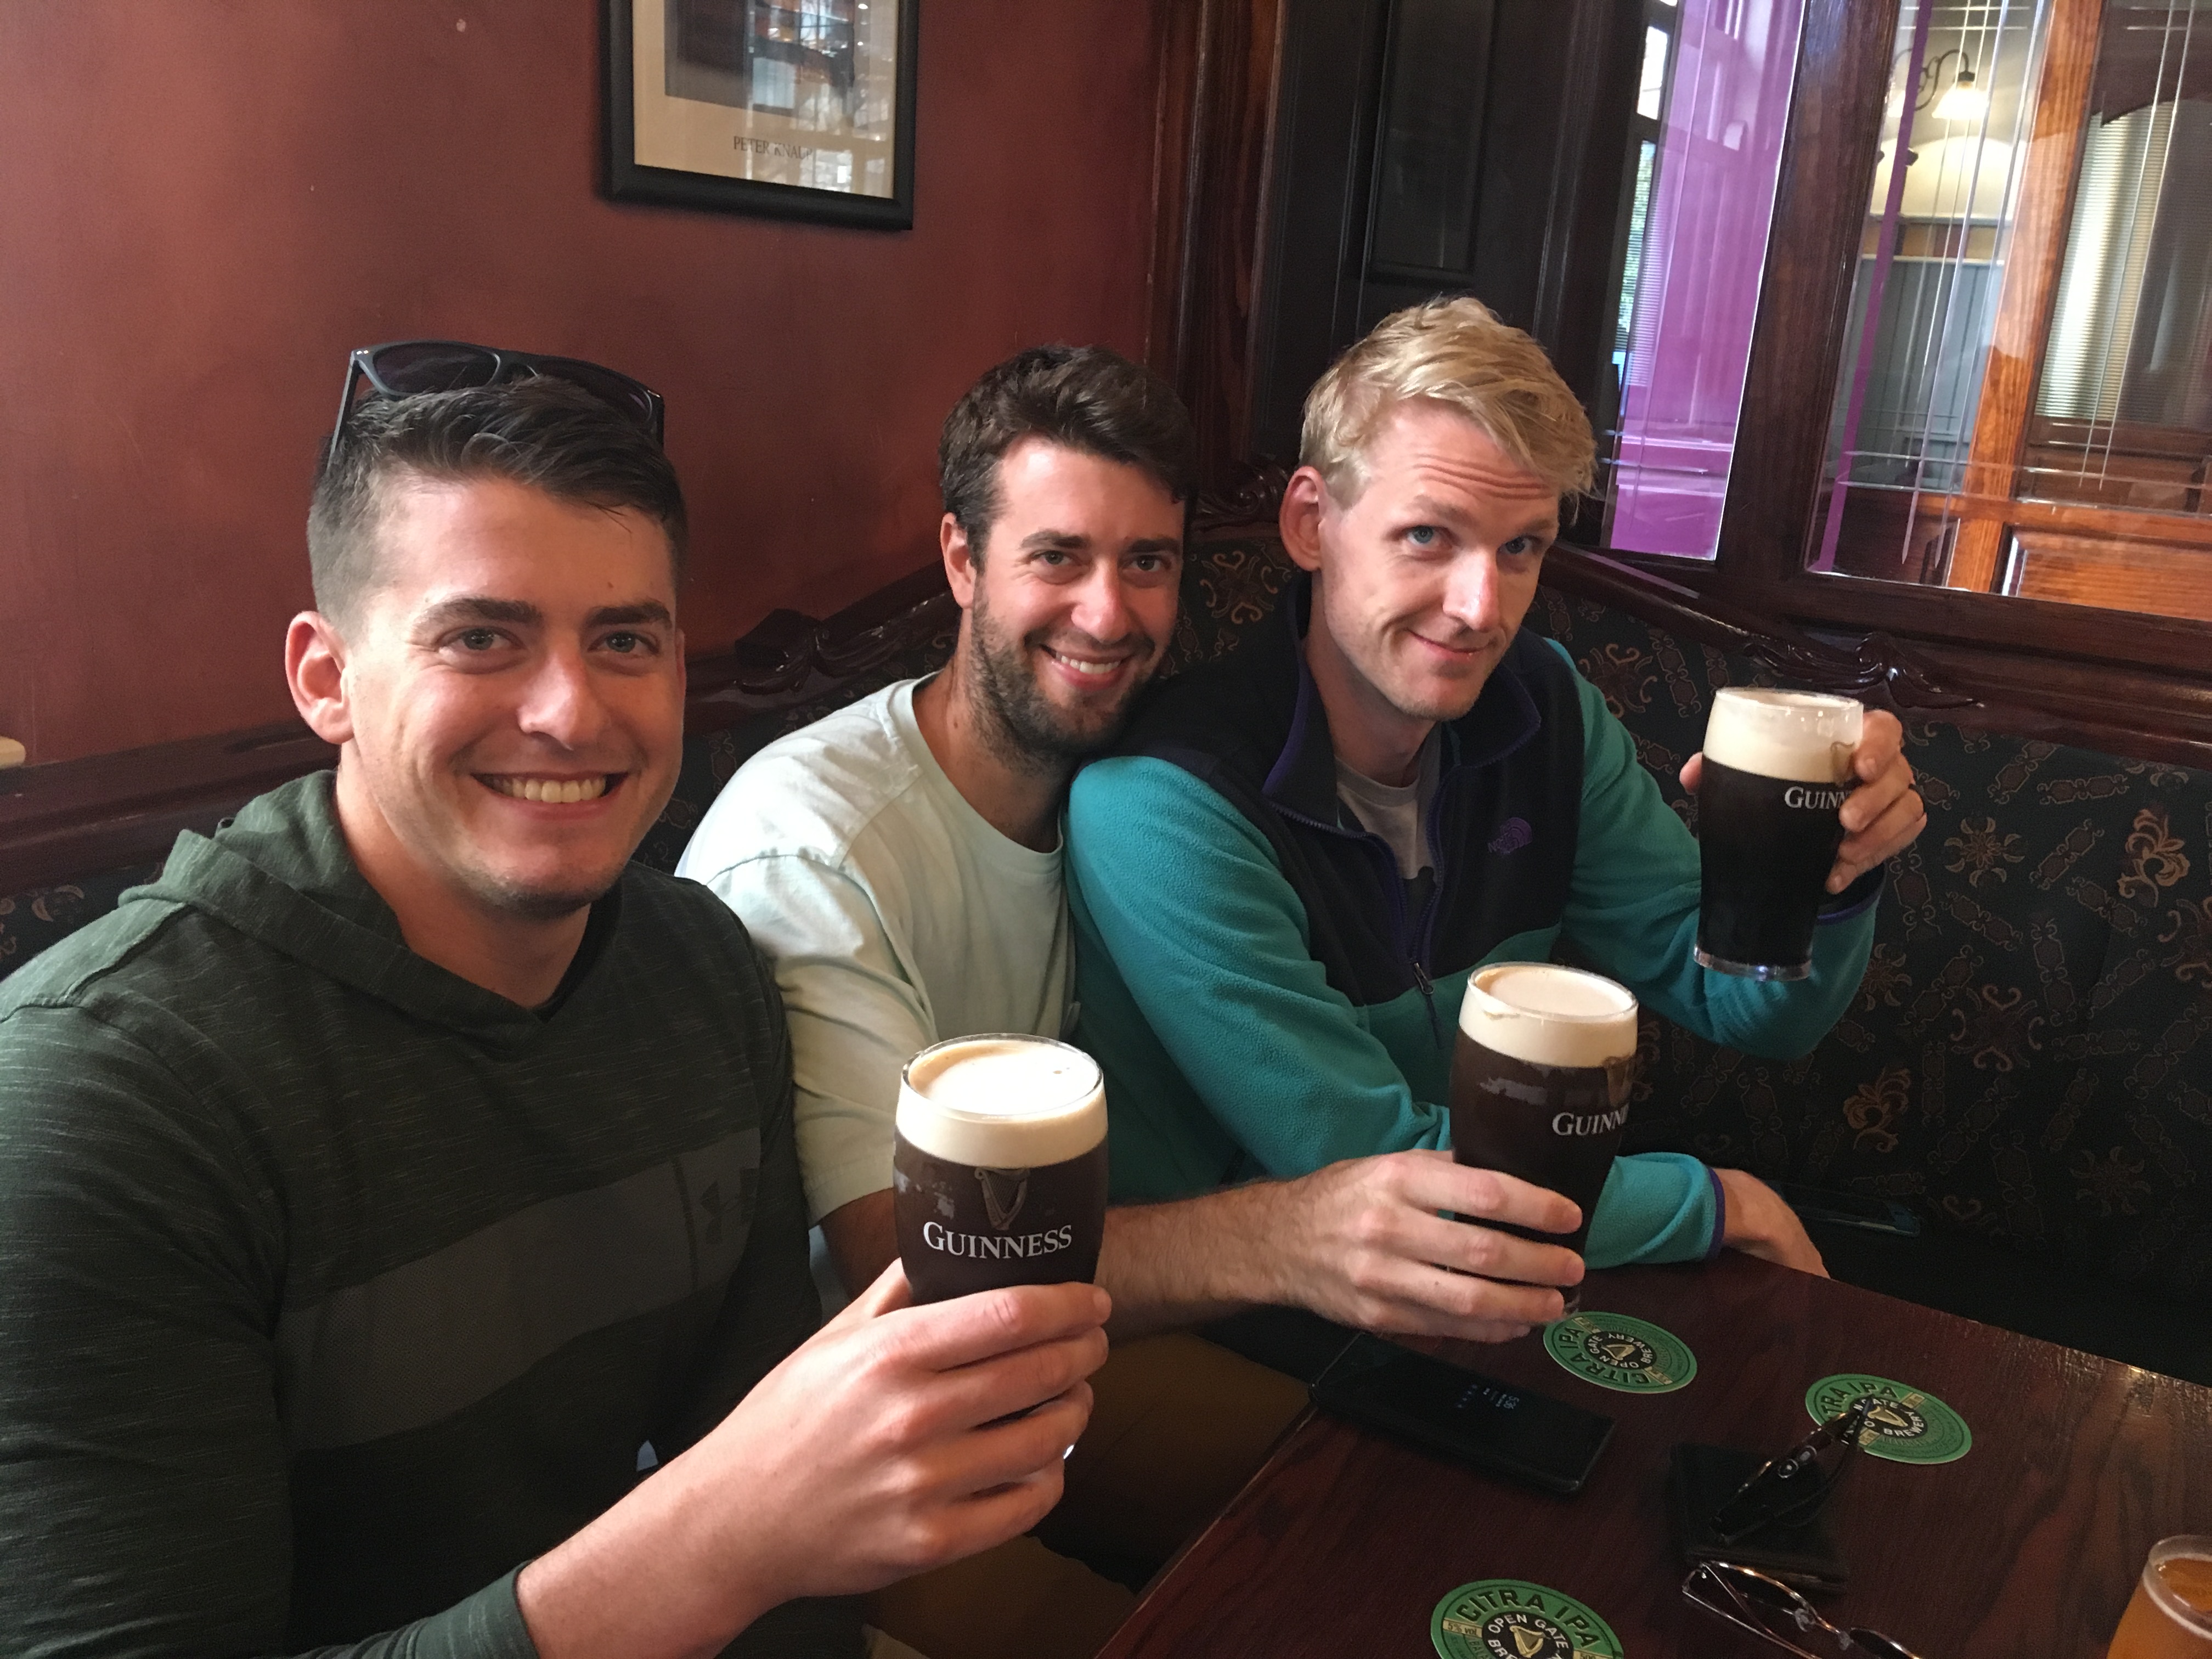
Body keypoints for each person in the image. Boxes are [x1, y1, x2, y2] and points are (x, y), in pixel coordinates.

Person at [0, 356, 1109, 1659]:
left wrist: (766, 1531)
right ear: (325, 677)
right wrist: (722, 1536)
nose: (570, 712)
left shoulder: (702, 971)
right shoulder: (99, 1100)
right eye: (482, 637)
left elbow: (778, 1522)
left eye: (624, 640)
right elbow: (746, 1519)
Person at [1064, 297, 1929, 1321]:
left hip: (1463, 1290)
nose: (1481, 608)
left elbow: (1747, 1009)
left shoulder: (1544, 711)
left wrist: (1830, 872)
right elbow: (1373, 1174)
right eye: (1428, 535)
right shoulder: (1161, 806)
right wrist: (1713, 1204)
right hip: (1226, 1325)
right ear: (1311, 524)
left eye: (1521, 547)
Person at [681, 345, 1311, 1659]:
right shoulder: (813, 849)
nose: (1109, 613)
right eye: (1058, 557)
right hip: (840, 1424)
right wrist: (1300, 1238)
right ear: (962, 561)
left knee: (1349, 1499)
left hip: (1048, 1349)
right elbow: (909, 1266)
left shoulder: (1131, 797)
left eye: (1148, 562)